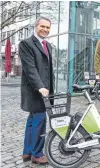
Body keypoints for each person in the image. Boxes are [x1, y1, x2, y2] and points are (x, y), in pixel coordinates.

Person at [19, 16, 54, 164]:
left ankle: (27, 152)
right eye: (42, 26)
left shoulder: (48, 45)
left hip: (45, 90)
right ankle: (37, 154)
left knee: (32, 121)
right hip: (36, 90)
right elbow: (30, 68)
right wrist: (40, 87)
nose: (45, 29)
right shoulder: (26, 44)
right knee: (39, 121)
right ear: (36, 26)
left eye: (47, 27)